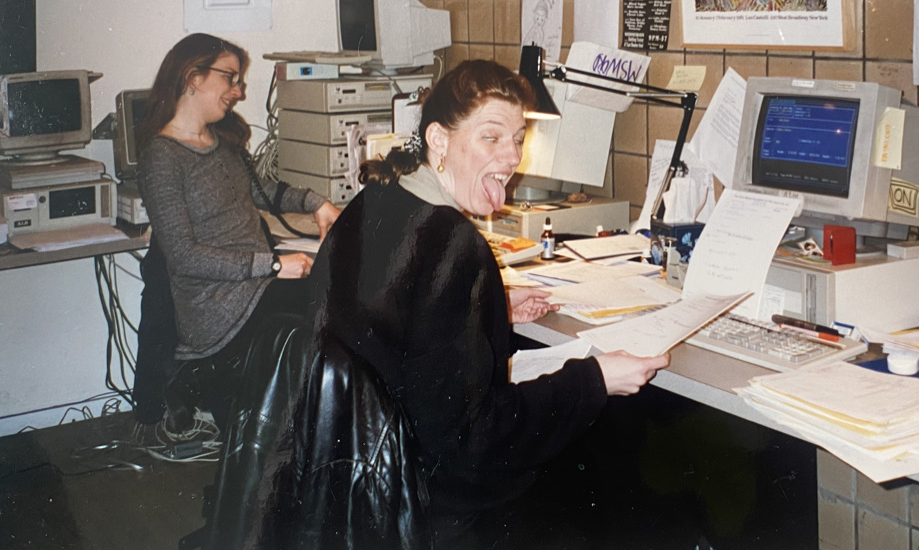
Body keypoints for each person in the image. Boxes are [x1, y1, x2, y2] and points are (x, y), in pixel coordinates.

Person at [309, 59, 670, 548]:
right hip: (436, 505)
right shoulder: (455, 244)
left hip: (358, 481)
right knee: (607, 472)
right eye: (491, 138)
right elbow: (476, 442)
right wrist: (596, 379)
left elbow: (402, 322)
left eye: (518, 138)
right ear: (439, 140)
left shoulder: (370, 205)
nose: (511, 157)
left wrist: (486, 307)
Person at [137, 32, 341, 550]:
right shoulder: (163, 157)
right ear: (193, 77)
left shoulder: (222, 142)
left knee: (339, 304)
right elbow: (182, 257)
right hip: (218, 312)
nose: (238, 89)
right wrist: (270, 263)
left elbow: (265, 191)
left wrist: (316, 202)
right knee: (332, 319)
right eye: (230, 77)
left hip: (256, 288)